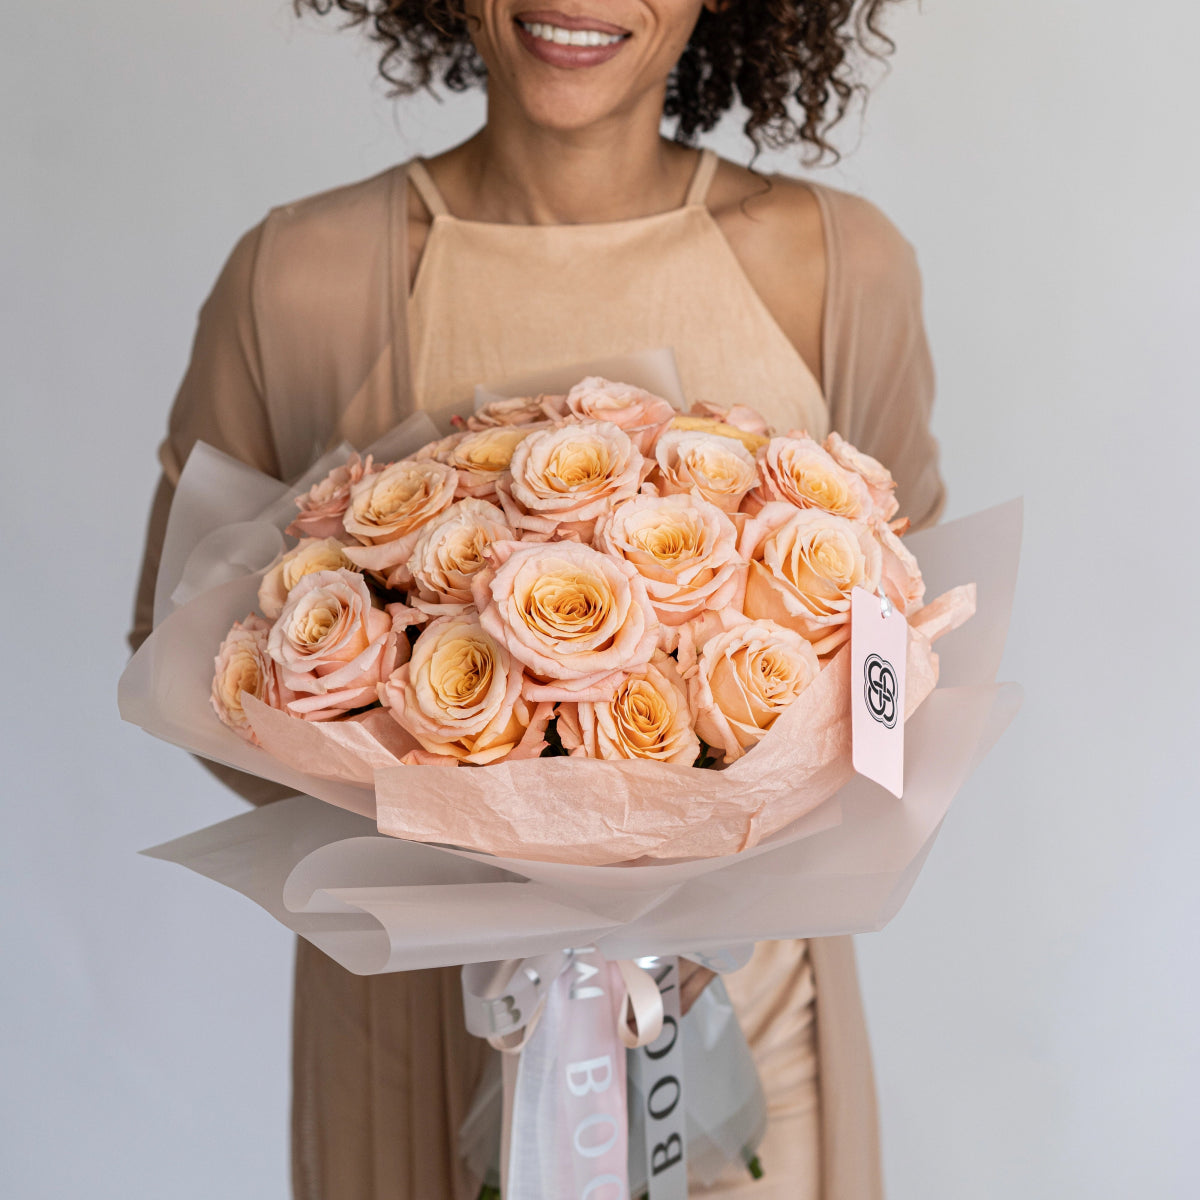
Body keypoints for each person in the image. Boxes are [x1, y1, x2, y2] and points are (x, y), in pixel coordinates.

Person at [128, 0, 945, 1196]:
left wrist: (696, 884)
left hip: (748, 1034)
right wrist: (466, 866)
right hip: (416, 1034)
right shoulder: (299, 277)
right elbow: (190, 661)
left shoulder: (837, 264)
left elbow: (903, 643)